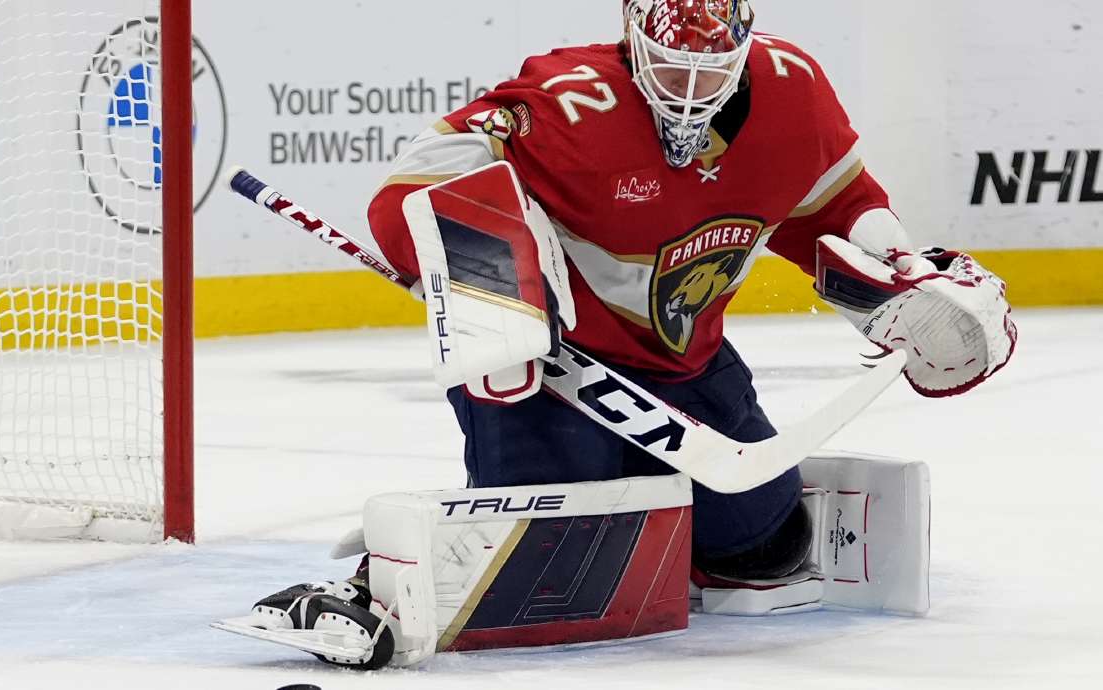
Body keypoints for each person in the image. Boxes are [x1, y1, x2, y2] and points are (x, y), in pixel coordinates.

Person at [228, 0, 1016, 669]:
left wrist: (901, 263)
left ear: (748, 48)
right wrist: (493, 278)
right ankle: (374, 584)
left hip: (688, 366)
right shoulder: (568, 100)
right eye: (671, 69)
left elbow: (832, 208)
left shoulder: (793, 89)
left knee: (765, 550)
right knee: (543, 573)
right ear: (633, 43)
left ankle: (660, 523)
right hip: (544, 372)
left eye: (714, 71)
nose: (691, 92)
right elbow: (409, 189)